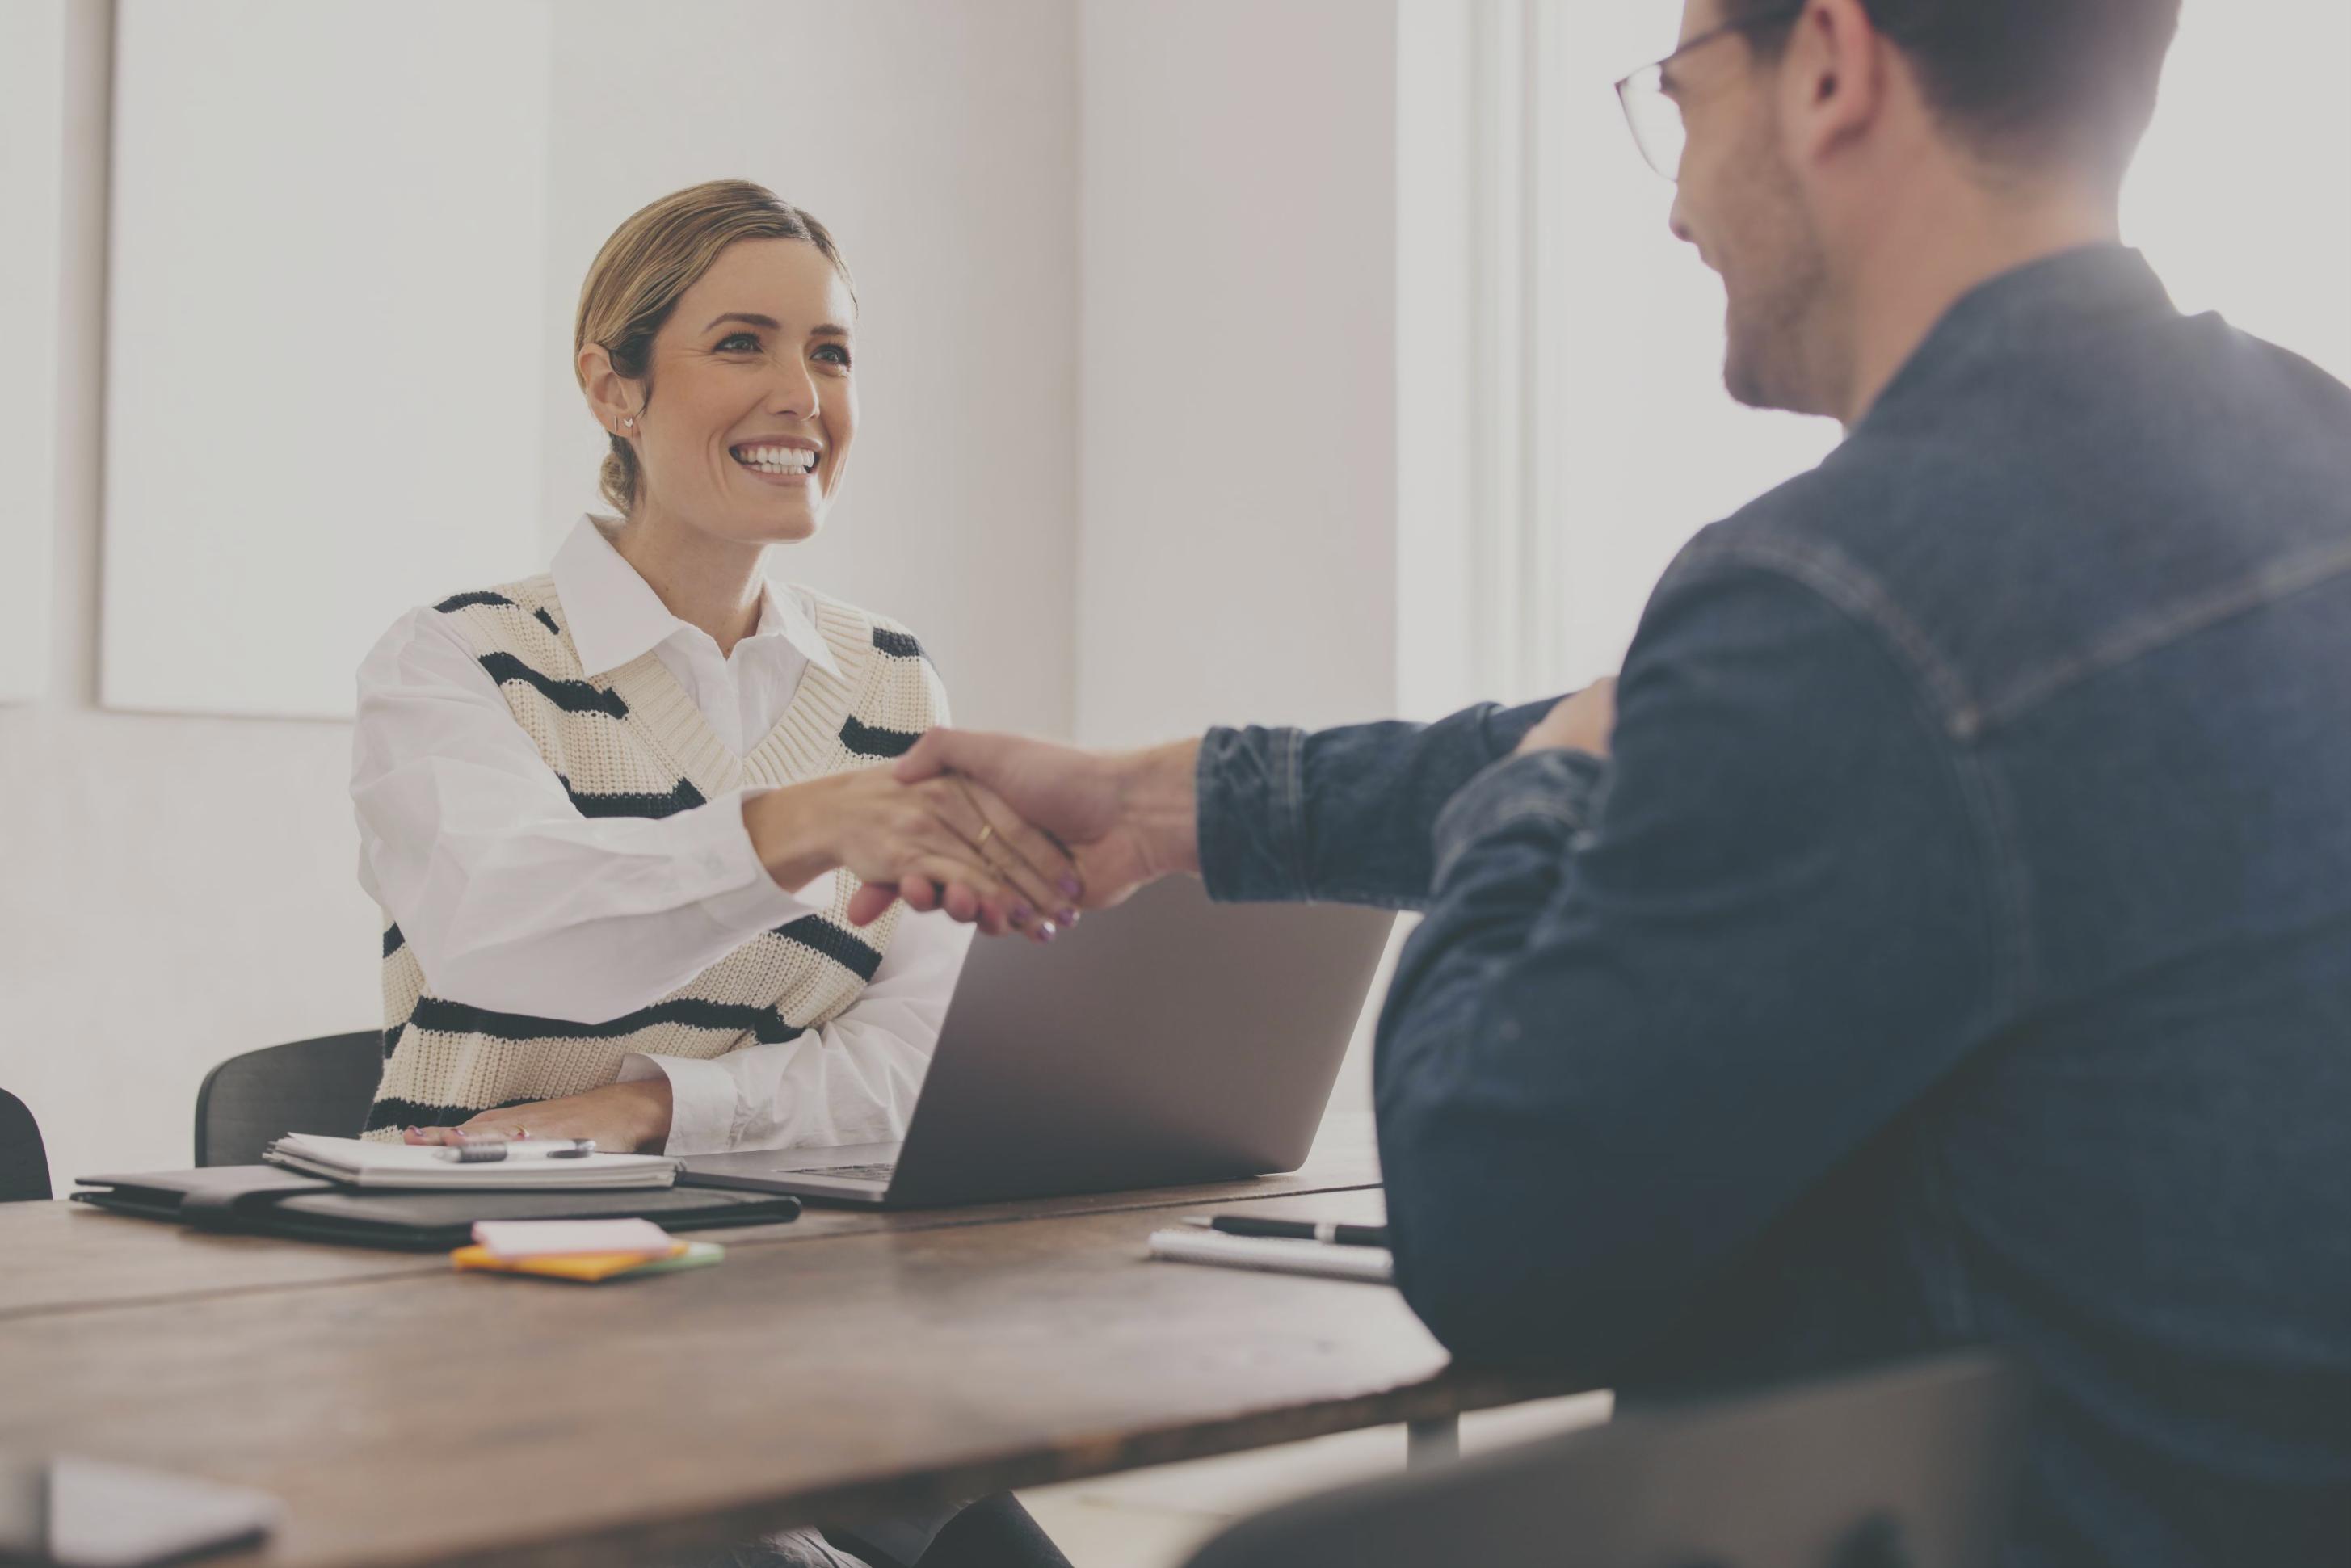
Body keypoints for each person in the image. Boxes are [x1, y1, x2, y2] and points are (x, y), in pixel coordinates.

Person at [871, 3, 2351, 1563]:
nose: (1675, 198)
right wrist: (1159, 804)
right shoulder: (2299, 461)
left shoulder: (1838, 599)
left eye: (1681, 92)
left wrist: (1536, 802)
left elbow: (1498, 1232)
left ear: (1831, 66)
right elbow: (1704, 751)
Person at [350, 181, 1072, 1568]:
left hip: (800, 1307)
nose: (800, 391)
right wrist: (798, 824)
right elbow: (510, 937)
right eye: (741, 343)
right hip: (501, 1317)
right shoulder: (454, 660)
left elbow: (912, 1066)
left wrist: (656, 1103)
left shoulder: (892, 682)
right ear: (611, 388)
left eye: (832, 351)